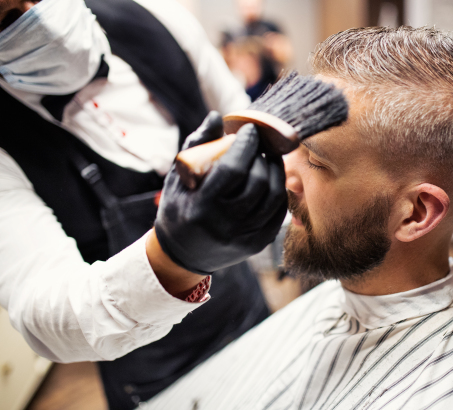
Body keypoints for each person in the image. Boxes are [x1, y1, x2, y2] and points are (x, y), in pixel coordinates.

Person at [142, 27, 453, 410]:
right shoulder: (330, 298)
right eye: (290, 146)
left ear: (415, 213)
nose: (283, 176)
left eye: (317, 163)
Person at [0, 0, 286, 408]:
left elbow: (244, 115)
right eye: (9, 16)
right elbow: (45, 313)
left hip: (246, 311)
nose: (39, 14)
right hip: (156, 376)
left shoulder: (156, 16)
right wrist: (174, 257)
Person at [220, 0, 293, 100]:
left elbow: (287, 55)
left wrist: (273, 47)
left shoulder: (270, 27)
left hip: (269, 87)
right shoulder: (232, 32)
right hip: (243, 88)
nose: (249, 6)